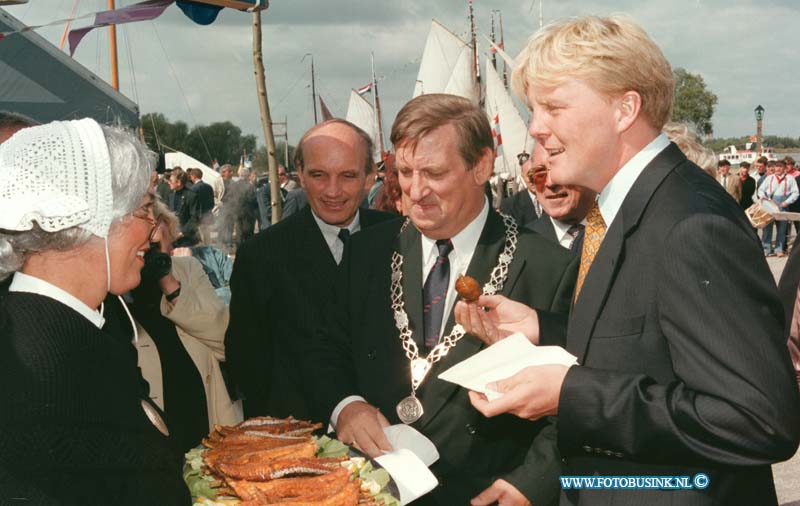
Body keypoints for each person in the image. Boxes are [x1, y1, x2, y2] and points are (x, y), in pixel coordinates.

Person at [457, 16, 800, 506]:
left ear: (625, 109)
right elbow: (651, 347)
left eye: (553, 107)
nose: (535, 128)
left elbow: (758, 419)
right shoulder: (624, 208)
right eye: (534, 110)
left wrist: (571, 395)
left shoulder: (690, 225)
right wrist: (543, 329)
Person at [305, 95, 578, 506]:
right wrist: (346, 406)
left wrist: (532, 482)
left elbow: (578, 395)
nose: (416, 191)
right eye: (406, 172)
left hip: (487, 492)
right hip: (374, 489)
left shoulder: (548, 266)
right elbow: (324, 348)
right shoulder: (367, 252)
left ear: (482, 166)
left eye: (433, 172)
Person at [0, 119, 189, 502]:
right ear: (90, 219)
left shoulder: (82, 327)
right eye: (143, 210)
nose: (154, 231)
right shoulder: (36, 366)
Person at [225, 119, 396, 419]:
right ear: (300, 175)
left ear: (370, 178)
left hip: (393, 433)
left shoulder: (399, 238)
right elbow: (246, 362)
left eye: (347, 176)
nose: (333, 191)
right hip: (303, 439)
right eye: (319, 175)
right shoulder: (261, 256)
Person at [130, 200, 241, 453]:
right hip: (157, 432)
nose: (158, 252)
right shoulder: (120, 288)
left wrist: (170, 284)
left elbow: (224, 341)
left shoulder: (188, 270)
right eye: (151, 245)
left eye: (165, 244)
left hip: (203, 418)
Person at [527, 142, 596, 250]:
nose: (550, 183)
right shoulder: (522, 245)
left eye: (561, 169)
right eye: (540, 173)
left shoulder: (621, 226)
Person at [758, 159, 799, 257]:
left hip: (783, 205)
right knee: (767, 228)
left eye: (780, 167)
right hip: (770, 205)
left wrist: (787, 202)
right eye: (776, 166)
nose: (778, 168)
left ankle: (779, 249)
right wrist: (764, 198)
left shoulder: (790, 178)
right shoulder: (769, 178)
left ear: (785, 168)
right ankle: (766, 248)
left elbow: (795, 192)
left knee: (782, 229)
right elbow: (761, 190)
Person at [500, 154, 544, 228]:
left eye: (536, 174)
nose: (533, 179)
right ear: (523, 177)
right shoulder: (510, 205)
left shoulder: (553, 197)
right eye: (529, 175)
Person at [167, 166, 202, 246]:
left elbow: (195, 218)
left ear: (178, 182)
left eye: (171, 180)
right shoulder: (171, 195)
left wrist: (182, 233)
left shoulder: (191, 196)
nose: (168, 182)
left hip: (186, 239)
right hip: (172, 237)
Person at [187, 167, 215, 243]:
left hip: (198, 217)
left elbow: (193, 205)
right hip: (207, 216)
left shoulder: (193, 189)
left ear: (193, 176)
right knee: (207, 237)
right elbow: (212, 203)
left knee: (201, 239)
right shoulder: (209, 187)